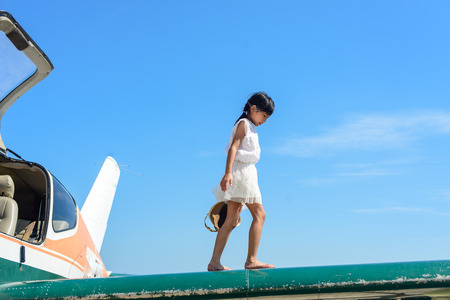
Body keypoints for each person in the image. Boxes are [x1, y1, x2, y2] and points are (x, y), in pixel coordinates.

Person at [208, 92, 275, 271]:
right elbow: (233, 147)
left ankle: (215, 262)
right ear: (254, 109)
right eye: (264, 116)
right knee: (259, 215)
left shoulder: (250, 126)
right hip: (241, 174)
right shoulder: (244, 124)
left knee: (231, 220)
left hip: (247, 173)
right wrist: (227, 173)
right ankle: (251, 260)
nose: (265, 120)